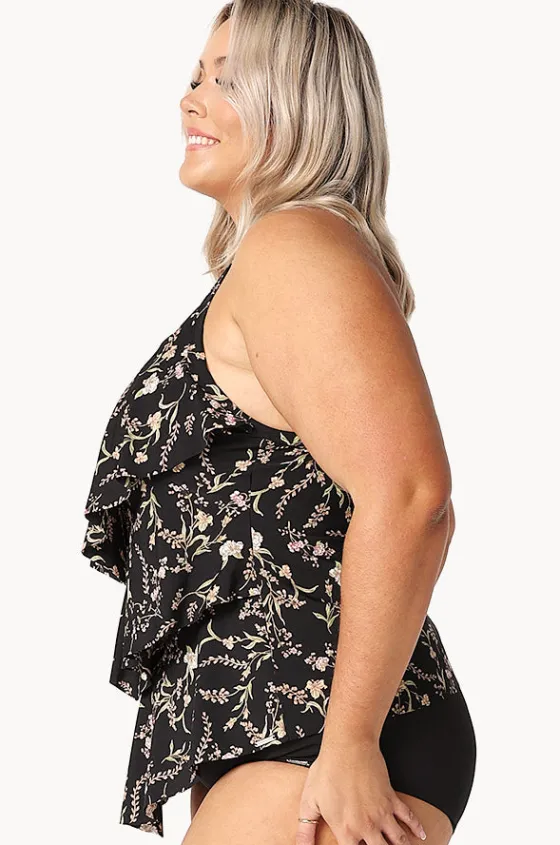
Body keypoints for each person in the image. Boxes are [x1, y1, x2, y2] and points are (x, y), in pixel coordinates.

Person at [81, 2, 477, 843]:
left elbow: (413, 496)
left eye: (228, 80)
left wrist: (349, 739)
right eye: (195, 76)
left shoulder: (293, 246)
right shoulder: (280, 257)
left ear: (299, 103)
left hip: (320, 732)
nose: (191, 98)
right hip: (289, 727)